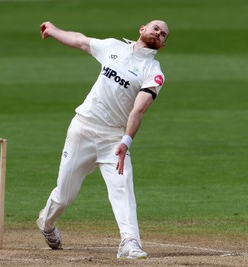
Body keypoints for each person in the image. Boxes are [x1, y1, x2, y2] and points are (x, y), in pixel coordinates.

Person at [36, 19, 169, 260]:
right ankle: (46, 223)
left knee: (123, 187)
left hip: (114, 139)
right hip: (83, 129)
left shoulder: (154, 72)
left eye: (163, 34)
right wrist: (54, 31)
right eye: (156, 28)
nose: (158, 33)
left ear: (161, 45)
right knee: (65, 195)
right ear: (142, 29)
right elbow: (81, 41)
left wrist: (125, 141)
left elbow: (138, 110)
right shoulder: (113, 47)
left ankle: (129, 242)